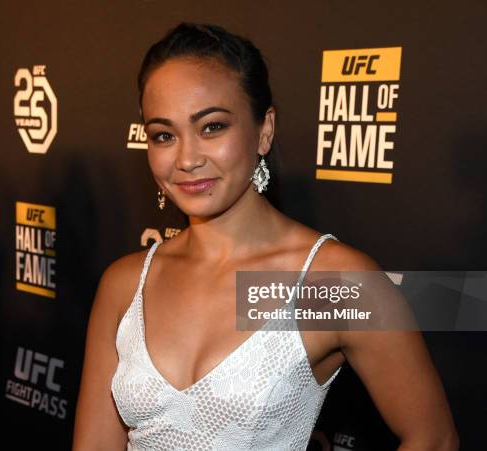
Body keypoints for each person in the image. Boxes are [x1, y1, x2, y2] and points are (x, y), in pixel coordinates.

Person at [72, 23, 458, 450]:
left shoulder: (333, 283)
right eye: (164, 135)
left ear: (264, 130)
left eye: (212, 127)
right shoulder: (125, 284)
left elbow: (434, 438)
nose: (186, 158)